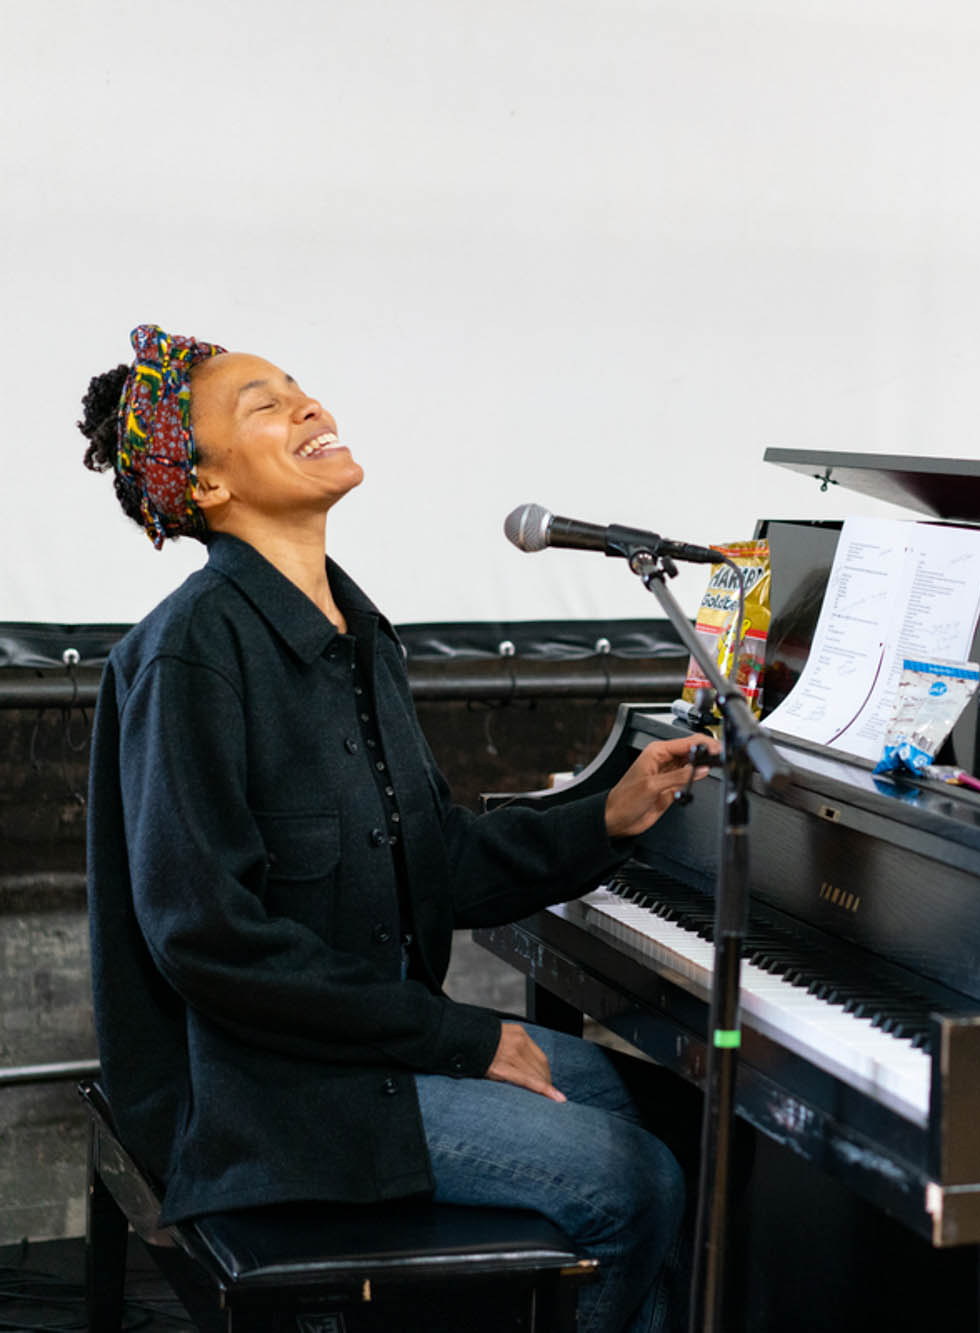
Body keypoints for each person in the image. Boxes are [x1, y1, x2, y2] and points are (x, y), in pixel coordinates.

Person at [79, 325, 710, 1333]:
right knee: (627, 1180)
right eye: (264, 406)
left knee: (683, 1116)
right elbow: (209, 940)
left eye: (299, 389)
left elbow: (437, 858)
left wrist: (609, 816)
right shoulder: (190, 654)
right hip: (261, 1098)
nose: (309, 407)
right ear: (204, 487)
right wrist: (463, 1038)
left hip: (361, 1057)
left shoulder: (356, 633)